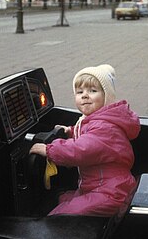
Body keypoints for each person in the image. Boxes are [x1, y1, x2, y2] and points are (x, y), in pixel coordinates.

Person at [29, 64, 141, 217]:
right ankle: (63, 199)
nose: (85, 95)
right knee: (61, 198)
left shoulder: (105, 127)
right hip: (96, 185)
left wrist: (48, 149)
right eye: (79, 92)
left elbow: (82, 149)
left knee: (59, 216)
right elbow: (88, 134)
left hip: (109, 193)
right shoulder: (98, 120)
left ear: (106, 96)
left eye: (92, 91)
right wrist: (71, 131)